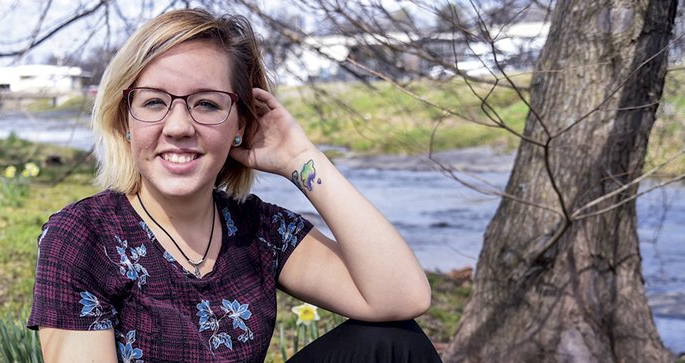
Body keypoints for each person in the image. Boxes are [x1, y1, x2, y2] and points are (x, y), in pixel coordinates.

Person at [27, 8, 440, 363]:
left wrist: (300, 158)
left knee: (392, 343)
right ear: (125, 120)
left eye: (206, 103)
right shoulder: (82, 237)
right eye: (154, 101)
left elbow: (401, 296)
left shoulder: (257, 230)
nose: (178, 127)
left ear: (240, 124)